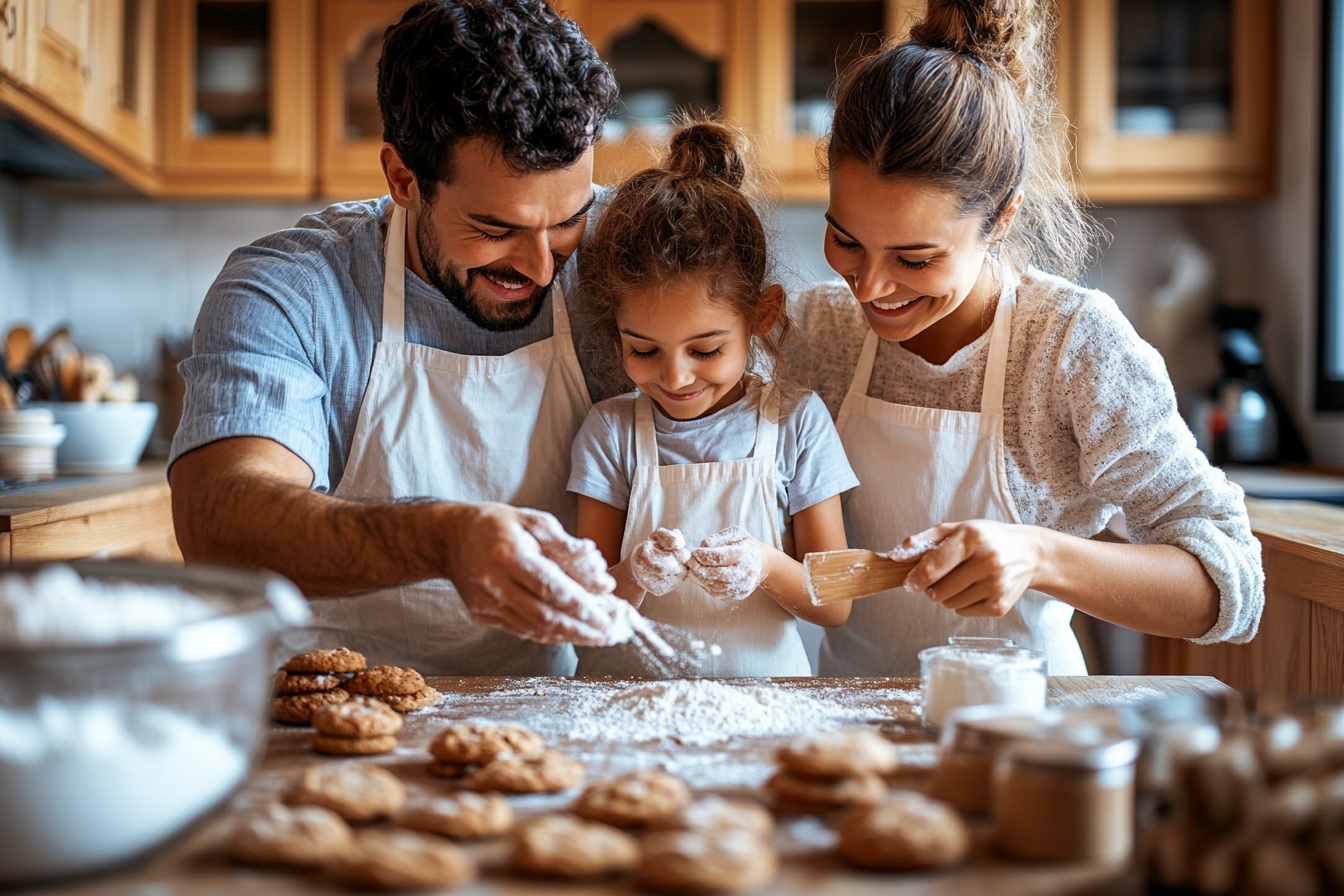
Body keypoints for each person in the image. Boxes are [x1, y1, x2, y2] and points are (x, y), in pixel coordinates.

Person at [794, 0, 1265, 676]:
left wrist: (1038, 556)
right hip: (849, 730)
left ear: (1001, 219)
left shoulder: (1070, 346)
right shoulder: (817, 333)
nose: (868, 288)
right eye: (845, 240)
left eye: (916, 260)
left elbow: (1232, 586)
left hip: (1027, 737)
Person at [167, 0, 630, 675]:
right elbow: (218, 523)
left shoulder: (624, 259)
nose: (540, 266)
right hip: (322, 705)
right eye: (496, 229)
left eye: (567, 220)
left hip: (547, 711)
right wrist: (441, 538)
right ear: (403, 179)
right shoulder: (293, 287)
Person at [568, 121, 859, 677]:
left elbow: (836, 601)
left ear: (761, 316)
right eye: (644, 350)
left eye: (705, 349)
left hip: (767, 705)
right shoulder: (610, 433)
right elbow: (590, 607)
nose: (676, 377)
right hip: (623, 710)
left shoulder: (797, 422)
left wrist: (765, 565)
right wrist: (635, 574)